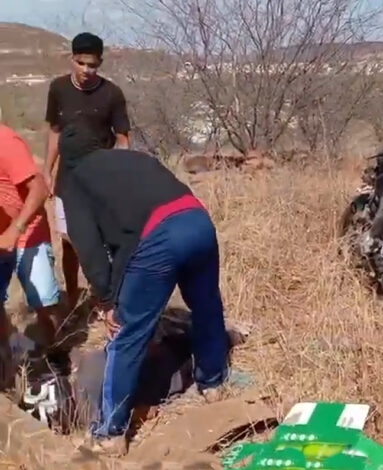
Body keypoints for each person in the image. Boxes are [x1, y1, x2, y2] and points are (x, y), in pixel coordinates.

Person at [57, 124, 228, 456]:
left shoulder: (74, 182)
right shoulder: (136, 159)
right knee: (207, 307)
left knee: (129, 333)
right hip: (198, 221)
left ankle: (110, 434)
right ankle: (213, 384)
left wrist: (106, 300)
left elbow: (88, 249)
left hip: (159, 237)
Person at [43, 32, 131, 309]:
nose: (86, 71)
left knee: (103, 237)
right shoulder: (58, 89)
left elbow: (123, 139)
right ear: (72, 60)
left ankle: (104, 294)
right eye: (81, 64)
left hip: (100, 177)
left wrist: (120, 174)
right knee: (69, 241)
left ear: (100, 63)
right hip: (67, 178)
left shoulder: (112, 94)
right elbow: (54, 131)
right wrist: (47, 169)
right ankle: (71, 296)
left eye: (92, 65)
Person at [0, 124, 62, 348]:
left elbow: (40, 189)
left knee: (44, 303)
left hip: (27, 230)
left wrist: (15, 229)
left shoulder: (5, 141)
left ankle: (56, 356)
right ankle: (6, 362)